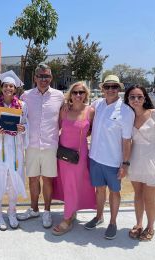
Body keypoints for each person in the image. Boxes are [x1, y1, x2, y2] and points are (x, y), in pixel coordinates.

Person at [84, 75, 135, 240]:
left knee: (114, 192)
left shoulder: (126, 111)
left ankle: (112, 223)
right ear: (102, 89)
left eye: (114, 87)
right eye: (108, 86)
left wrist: (125, 164)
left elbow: (127, 141)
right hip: (95, 158)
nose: (111, 89)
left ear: (119, 89)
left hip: (113, 161)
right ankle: (99, 217)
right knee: (99, 190)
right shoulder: (97, 104)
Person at [18, 63, 64, 228]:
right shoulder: (25, 96)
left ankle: (47, 211)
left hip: (51, 145)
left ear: (51, 78)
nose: (44, 79)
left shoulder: (59, 96)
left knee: (48, 180)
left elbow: (62, 120)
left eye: (47, 76)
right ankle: (34, 209)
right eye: (40, 76)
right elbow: (20, 118)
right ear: (35, 78)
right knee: (33, 179)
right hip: (31, 145)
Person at [52, 81, 96, 235]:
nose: (78, 95)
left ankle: (67, 219)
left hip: (79, 156)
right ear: (70, 94)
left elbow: (92, 132)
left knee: (73, 185)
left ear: (86, 95)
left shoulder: (90, 111)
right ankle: (72, 211)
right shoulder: (64, 110)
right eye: (75, 92)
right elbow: (56, 128)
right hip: (63, 154)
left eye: (81, 92)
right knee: (66, 185)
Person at [124, 85, 155, 241]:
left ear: (145, 98)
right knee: (138, 195)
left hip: (152, 160)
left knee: (149, 198)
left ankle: (150, 227)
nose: (136, 100)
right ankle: (138, 223)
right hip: (135, 159)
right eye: (132, 97)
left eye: (139, 97)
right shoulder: (128, 116)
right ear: (127, 99)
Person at [0, 76, 28, 231]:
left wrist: (24, 128)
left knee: (13, 181)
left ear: (15, 89)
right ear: (1, 88)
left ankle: (12, 212)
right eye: (5, 86)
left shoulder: (22, 106)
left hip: (16, 149)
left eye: (11, 86)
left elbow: (25, 124)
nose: (8, 89)